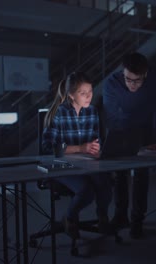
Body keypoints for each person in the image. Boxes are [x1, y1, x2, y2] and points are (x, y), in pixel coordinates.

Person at [102, 52, 156, 239]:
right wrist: (121, 141)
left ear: (145, 74)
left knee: (141, 174)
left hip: (145, 128)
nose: (132, 84)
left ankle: (137, 219)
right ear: (123, 72)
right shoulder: (111, 83)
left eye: (137, 81)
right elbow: (111, 117)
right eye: (128, 79)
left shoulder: (154, 79)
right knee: (120, 173)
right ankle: (121, 215)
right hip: (120, 128)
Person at [42, 72, 112, 238]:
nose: (89, 96)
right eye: (83, 93)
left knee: (105, 185)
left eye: (90, 92)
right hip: (60, 165)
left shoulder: (92, 111)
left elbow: (95, 141)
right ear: (71, 95)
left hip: (86, 163)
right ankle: (69, 218)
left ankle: (102, 217)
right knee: (86, 191)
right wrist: (80, 148)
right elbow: (47, 147)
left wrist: (97, 149)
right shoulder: (58, 113)